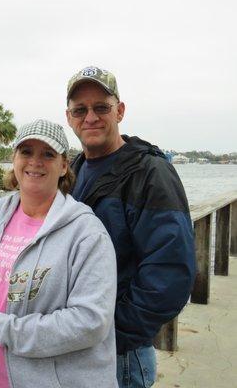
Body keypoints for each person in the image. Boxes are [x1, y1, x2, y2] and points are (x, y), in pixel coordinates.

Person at [0, 119, 118, 388]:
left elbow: (90, 322)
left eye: (47, 154)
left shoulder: (87, 233)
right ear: (13, 159)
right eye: (26, 152)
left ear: (63, 165)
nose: (35, 162)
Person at [64, 66, 196, 388]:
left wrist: (112, 332)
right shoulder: (70, 172)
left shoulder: (150, 173)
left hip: (120, 354)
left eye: (101, 107)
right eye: (80, 110)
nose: (90, 117)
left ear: (119, 111)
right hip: (76, 346)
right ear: (69, 117)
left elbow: (170, 273)